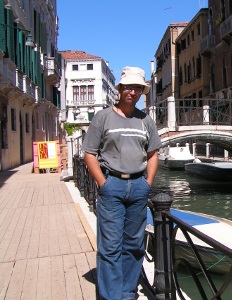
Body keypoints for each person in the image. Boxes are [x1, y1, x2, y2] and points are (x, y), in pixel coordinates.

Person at [82, 66, 162, 300]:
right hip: (112, 186)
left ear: (141, 92)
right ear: (120, 89)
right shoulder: (103, 117)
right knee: (110, 247)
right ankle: (111, 296)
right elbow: (89, 153)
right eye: (128, 87)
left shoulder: (145, 120)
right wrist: (102, 183)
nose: (132, 92)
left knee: (135, 245)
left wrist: (148, 182)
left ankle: (127, 293)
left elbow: (153, 154)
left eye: (137, 88)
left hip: (138, 186)